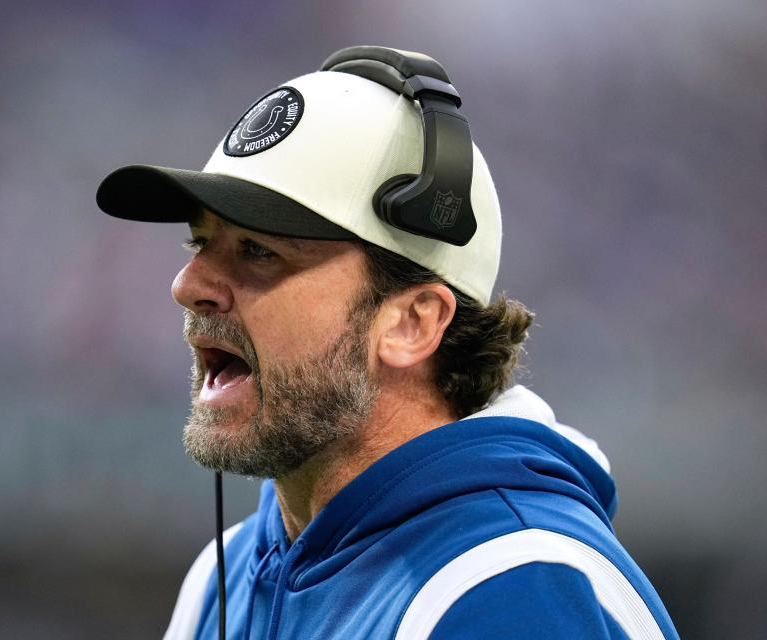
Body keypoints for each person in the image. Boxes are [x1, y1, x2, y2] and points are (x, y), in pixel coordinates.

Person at [96, 47, 678, 640]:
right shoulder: (219, 583)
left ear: (413, 323)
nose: (187, 286)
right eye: (199, 244)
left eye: (259, 251)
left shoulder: (513, 591)